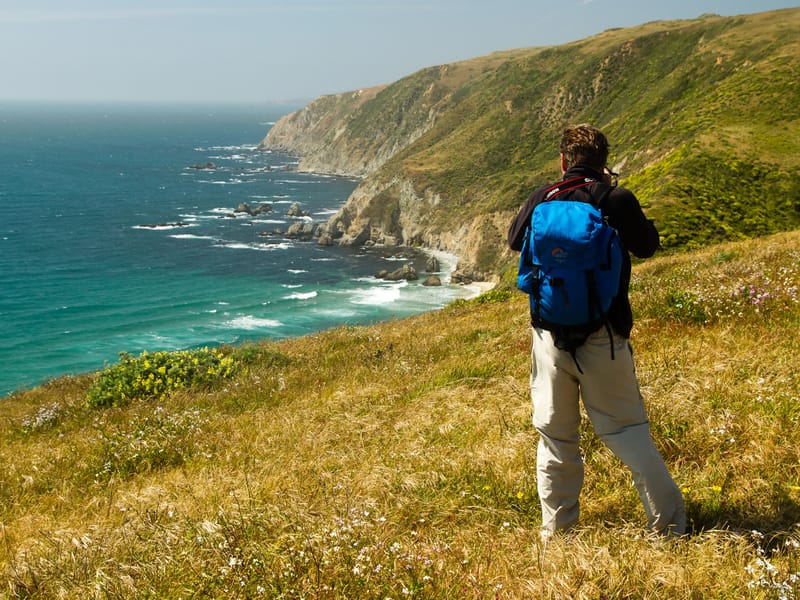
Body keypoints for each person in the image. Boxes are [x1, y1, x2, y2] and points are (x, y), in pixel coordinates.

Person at [508, 124, 685, 538]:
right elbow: (646, 246)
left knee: (555, 437)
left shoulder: (543, 197)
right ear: (604, 162)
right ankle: (669, 527)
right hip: (603, 337)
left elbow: (516, 241)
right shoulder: (615, 198)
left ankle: (557, 534)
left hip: (549, 338)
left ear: (563, 161)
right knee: (626, 431)